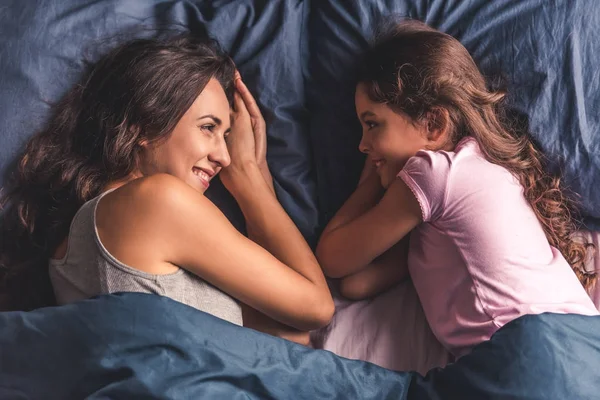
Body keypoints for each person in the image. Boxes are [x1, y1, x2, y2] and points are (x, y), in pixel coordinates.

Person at [0, 34, 333, 345]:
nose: (224, 157)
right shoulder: (157, 200)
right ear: (146, 126)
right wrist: (250, 180)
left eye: (227, 136)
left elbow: (290, 332)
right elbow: (317, 308)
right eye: (208, 128)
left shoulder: (73, 240)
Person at [316, 20, 598, 358]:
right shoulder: (479, 178)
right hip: (580, 343)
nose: (362, 145)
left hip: (533, 353)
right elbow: (355, 282)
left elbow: (332, 258)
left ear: (434, 124)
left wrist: (372, 178)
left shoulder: (435, 175)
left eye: (373, 124)